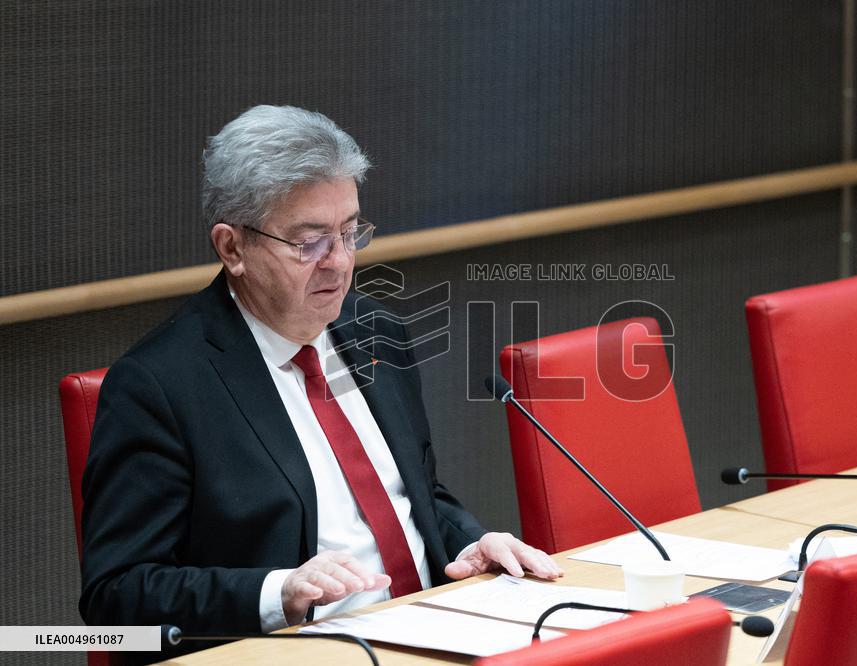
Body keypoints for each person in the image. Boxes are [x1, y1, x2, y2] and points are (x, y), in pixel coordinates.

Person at [79, 105, 562, 661]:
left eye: (351, 232)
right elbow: (117, 595)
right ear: (232, 247)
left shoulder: (376, 329)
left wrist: (471, 544)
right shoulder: (159, 385)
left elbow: (417, 495)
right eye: (310, 242)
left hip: (439, 633)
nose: (339, 262)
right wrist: (275, 593)